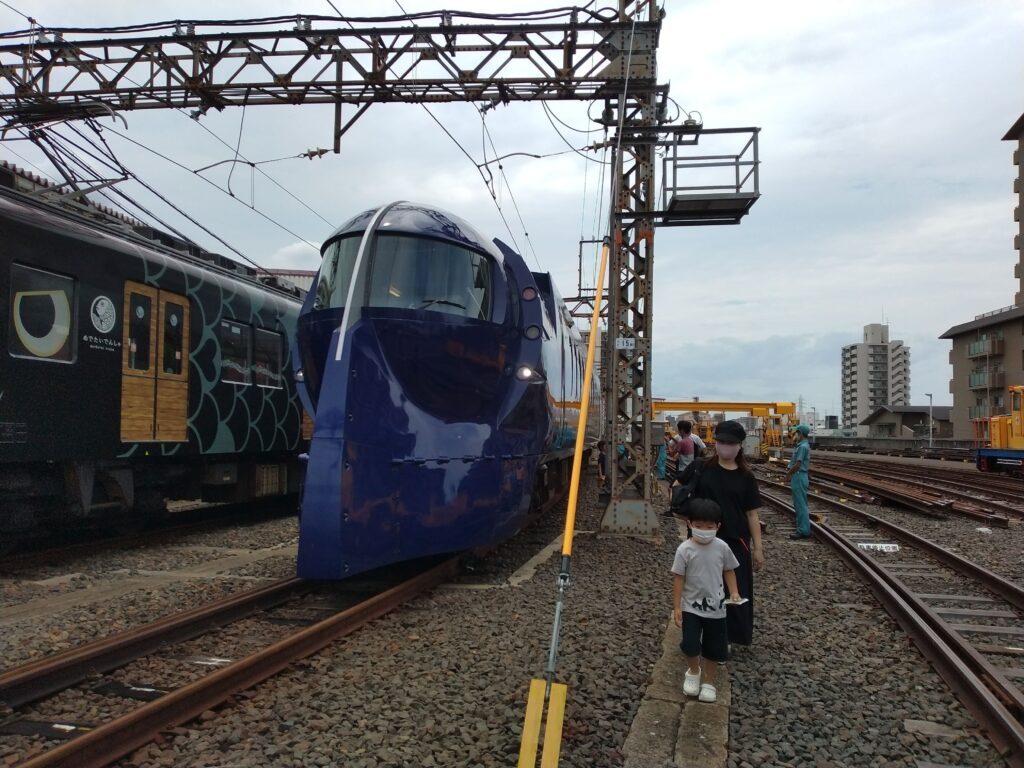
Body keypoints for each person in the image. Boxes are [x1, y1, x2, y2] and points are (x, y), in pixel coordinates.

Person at [676, 420, 763, 647]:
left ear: (739, 445)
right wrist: (688, 517)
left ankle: (729, 637)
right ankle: (697, 633)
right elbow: (678, 488)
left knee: (735, 590)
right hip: (702, 539)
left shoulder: (746, 477)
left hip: (736, 541)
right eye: (722, 441)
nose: (726, 446)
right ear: (715, 442)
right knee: (699, 587)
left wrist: (758, 549)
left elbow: (752, 514)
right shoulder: (701, 467)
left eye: (731, 442)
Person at [671, 498, 741, 703]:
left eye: (709, 527)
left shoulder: (722, 547)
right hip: (691, 606)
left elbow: (729, 570)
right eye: (699, 526)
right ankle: (694, 671)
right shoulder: (685, 549)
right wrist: (677, 606)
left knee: (714, 646)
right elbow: (678, 578)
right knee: (690, 643)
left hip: (717, 607)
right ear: (689, 524)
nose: (704, 530)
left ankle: (709, 681)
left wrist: (734, 592)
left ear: (718, 526)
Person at [784, 425, 812, 539]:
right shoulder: (804, 446)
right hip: (801, 476)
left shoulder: (802, 447)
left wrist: (789, 473)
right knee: (801, 503)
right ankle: (802, 527)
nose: (795, 435)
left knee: (800, 505)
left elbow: (798, 464)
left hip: (799, 476)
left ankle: (803, 530)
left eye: (797, 433)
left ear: (800, 433)